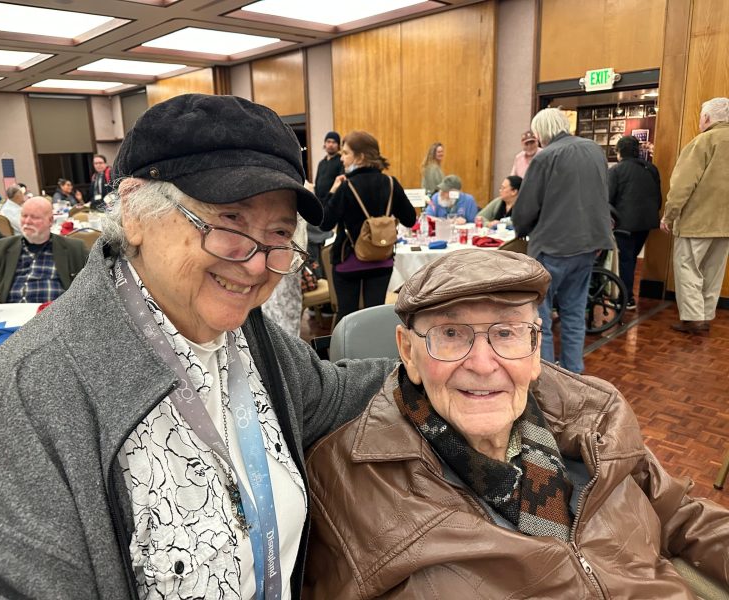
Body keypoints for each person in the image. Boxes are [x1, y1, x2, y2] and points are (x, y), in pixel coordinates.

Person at [0, 94, 394, 599]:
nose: (257, 263)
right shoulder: (26, 400)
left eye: (278, 233)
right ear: (134, 212)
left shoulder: (249, 340)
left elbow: (337, 394)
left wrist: (444, 356)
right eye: (228, 222)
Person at [305, 248, 729, 599]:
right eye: (451, 334)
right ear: (409, 353)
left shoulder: (593, 415)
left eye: (506, 333)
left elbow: (679, 512)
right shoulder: (351, 480)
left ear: (534, 345)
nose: (483, 364)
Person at [512, 108, 612, 374]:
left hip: (552, 246)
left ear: (542, 131)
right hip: (588, 245)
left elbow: (526, 207)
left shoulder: (546, 157)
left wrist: (519, 227)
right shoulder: (594, 150)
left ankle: (548, 377)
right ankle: (573, 372)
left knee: (541, 317)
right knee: (574, 313)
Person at [320, 130, 416, 323]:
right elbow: (410, 219)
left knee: (347, 316)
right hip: (382, 260)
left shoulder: (346, 187)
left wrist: (332, 192)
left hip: (348, 261)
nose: (342, 159)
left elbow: (325, 223)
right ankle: (374, 352)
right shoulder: (391, 183)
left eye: (346, 153)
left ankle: (344, 353)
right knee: (374, 317)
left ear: (361, 157)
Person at [661, 97, 729, 334]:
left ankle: (693, 320)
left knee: (688, 268)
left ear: (708, 118)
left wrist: (669, 215)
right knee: (713, 271)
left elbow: (682, 185)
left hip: (697, 221)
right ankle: (706, 316)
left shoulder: (703, 141)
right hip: (726, 225)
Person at [0, 196, 88, 303]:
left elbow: (97, 285)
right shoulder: (0, 249)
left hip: (56, 318)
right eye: (24, 216)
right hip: (13, 317)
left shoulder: (74, 249)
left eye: (35, 217)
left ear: (50, 221)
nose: (27, 221)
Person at [608, 135, 662, 310]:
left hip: (624, 223)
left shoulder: (616, 170)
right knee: (630, 259)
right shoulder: (651, 168)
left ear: (619, 152)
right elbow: (658, 198)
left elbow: (608, 198)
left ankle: (626, 298)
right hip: (647, 222)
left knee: (626, 260)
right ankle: (627, 295)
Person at [306, 131, 343, 278]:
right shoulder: (322, 163)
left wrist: (330, 196)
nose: (330, 144)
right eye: (328, 141)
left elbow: (340, 181)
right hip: (319, 205)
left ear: (338, 145)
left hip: (332, 204)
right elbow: (317, 182)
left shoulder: (340, 161)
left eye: (334, 142)